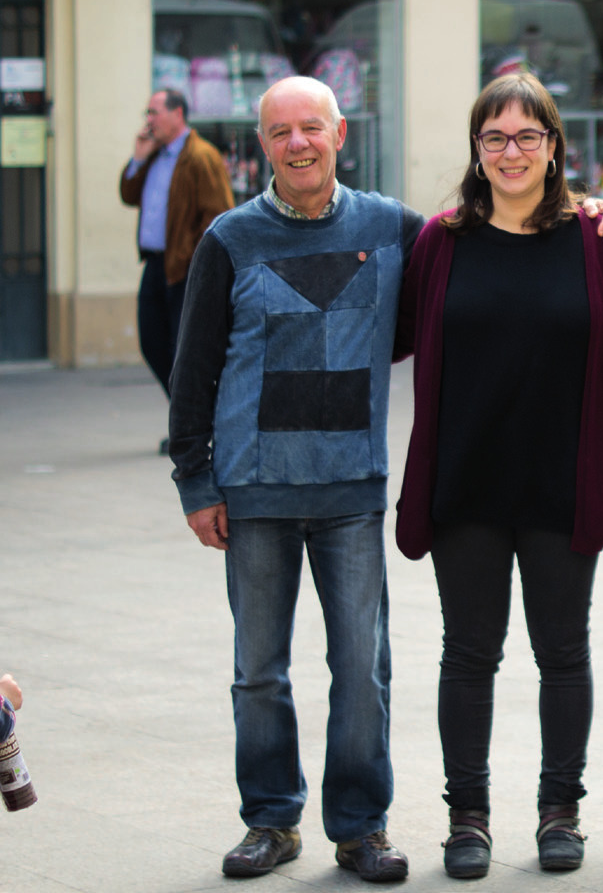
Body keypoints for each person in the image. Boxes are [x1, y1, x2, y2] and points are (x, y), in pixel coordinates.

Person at [394, 72, 603, 878]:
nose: (512, 152)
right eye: (496, 137)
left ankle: (559, 812)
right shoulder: (440, 242)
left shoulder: (597, 241)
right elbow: (391, 333)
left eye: (528, 136)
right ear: (477, 150)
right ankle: (466, 819)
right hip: (465, 483)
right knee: (468, 654)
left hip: (562, 483)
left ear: (553, 147)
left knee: (563, 653)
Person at [168, 76, 422, 883]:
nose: (297, 144)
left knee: (363, 672)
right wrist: (196, 482)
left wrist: (587, 215)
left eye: (311, 127)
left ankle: (361, 828)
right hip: (255, 494)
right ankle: (271, 821)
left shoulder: (392, 228)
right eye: (280, 132)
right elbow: (193, 370)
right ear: (263, 144)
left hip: (351, 491)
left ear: (340, 134)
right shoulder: (229, 239)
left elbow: (479, 254)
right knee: (258, 674)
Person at [120, 88, 234, 453]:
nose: (148, 120)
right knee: (152, 341)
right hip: (156, 263)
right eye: (147, 113)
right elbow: (128, 195)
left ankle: (193, 425)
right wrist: (138, 158)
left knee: (183, 350)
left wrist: (198, 262)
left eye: (154, 112)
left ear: (177, 114)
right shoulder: (154, 154)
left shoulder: (200, 156)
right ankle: (192, 418)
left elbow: (218, 215)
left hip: (185, 267)